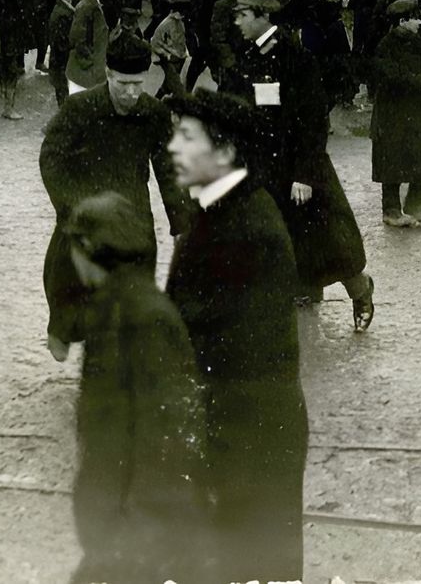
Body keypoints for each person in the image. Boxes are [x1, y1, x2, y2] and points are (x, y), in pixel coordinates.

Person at [164, 90, 308, 584]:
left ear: (224, 152)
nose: (174, 149)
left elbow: (221, 348)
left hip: (246, 441)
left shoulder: (242, 228)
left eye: (186, 138)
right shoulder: (223, 213)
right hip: (242, 436)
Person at [64, 193, 209, 584]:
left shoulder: (140, 316)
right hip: (124, 533)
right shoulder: (117, 306)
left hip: (142, 541)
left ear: (89, 249)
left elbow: (166, 440)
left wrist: (132, 542)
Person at [221, 0, 376, 328]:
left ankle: (360, 289)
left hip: (297, 169)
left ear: (263, 16)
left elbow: (312, 122)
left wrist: (304, 175)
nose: (237, 20)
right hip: (263, 168)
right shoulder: (244, 57)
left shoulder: (296, 59)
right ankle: (297, 296)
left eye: (243, 14)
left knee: (330, 246)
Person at [38, 32, 190, 361]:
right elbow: (51, 158)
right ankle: (62, 329)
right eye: (123, 83)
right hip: (83, 208)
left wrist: (181, 223)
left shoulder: (154, 114)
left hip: (132, 214)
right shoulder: (80, 108)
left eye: (138, 83)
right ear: (108, 74)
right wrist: (70, 206)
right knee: (66, 279)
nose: (132, 93)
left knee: (134, 294)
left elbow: (168, 169)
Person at [368, 0, 421, 228]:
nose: (420, 22)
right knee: (391, 161)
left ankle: (415, 206)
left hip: (419, 111)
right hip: (393, 114)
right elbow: (390, 75)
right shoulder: (386, 46)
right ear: (403, 21)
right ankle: (391, 210)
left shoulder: (420, 43)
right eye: (415, 18)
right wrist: (417, 82)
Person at [67, 0, 111, 93]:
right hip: (84, 74)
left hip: (88, 72)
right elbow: (77, 38)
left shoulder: (91, 5)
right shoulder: (88, 7)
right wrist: (91, 63)